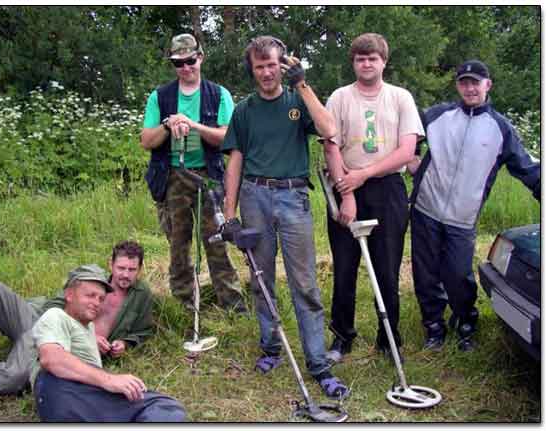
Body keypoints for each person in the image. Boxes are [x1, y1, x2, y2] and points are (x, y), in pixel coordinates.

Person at [221, 35, 349, 400]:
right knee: (261, 279)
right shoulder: (244, 110)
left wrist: (303, 85)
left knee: (305, 283)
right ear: (253, 70)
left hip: (293, 197)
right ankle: (271, 348)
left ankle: (318, 363)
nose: (266, 72)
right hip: (254, 197)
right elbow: (235, 160)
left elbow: (329, 130)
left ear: (283, 65)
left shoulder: (297, 99)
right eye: (259, 66)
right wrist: (229, 215)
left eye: (272, 64)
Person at [409, 59, 541, 351]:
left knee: (458, 274)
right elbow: (406, 132)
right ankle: (433, 325)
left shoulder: (500, 128)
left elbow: (528, 168)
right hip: (425, 210)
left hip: (463, 217)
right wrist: (411, 160)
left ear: (487, 85)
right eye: (464, 82)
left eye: (475, 82)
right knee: (425, 271)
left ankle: (466, 321)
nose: (469, 88)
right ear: (457, 85)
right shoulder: (437, 115)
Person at [321, 33, 424, 363]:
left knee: (387, 267)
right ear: (353, 62)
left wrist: (364, 175)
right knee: (345, 267)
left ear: (383, 62)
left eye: (372, 58)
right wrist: (346, 190)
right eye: (360, 58)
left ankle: (388, 339)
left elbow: (407, 151)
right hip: (345, 186)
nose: (366, 63)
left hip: (388, 190)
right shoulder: (339, 97)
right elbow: (330, 146)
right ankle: (341, 337)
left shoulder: (400, 98)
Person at [140, 33, 245, 313]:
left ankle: (232, 304)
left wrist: (194, 126)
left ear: (201, 57)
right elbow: (147, 141)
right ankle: (186, 305)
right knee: (178, 244)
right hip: (172, 175)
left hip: (208, 175)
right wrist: (167, 125)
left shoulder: (218, 94)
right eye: (178, 63)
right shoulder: (159, 97)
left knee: (216, 240)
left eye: (190, 61)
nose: (186, 68)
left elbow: (228, 138)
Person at [0, 240, 153, 395]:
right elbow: (52, 306)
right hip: (35, 317)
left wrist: (124, 343)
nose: (125, 274)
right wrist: (90, 336)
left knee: (12, 379)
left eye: (132, 270)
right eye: (121, 268)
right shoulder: (91, 277)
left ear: (139, 270)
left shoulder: (141, 295)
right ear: (111, 264)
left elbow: (142, 331)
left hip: (57, 344)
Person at [31, 264, 186, 422]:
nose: (97, 302)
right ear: (69, 295)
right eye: (90, 295)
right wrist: (109, 380)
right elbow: (52, 359)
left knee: (159, 408)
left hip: (85, 394)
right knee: (162, 406)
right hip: (63, 386)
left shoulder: (88, 328)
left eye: (101, 299)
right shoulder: (56, 315)